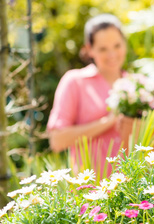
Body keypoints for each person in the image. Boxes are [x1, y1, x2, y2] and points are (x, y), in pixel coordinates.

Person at [47, 14, 126, 173]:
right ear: (89, 49)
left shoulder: (137, 86)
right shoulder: (75, 82)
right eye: (103, 48)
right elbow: (57, 140)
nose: (112, 54)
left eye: (117, 45)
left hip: (133, 189)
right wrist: (107, 122)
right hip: (90, 190)